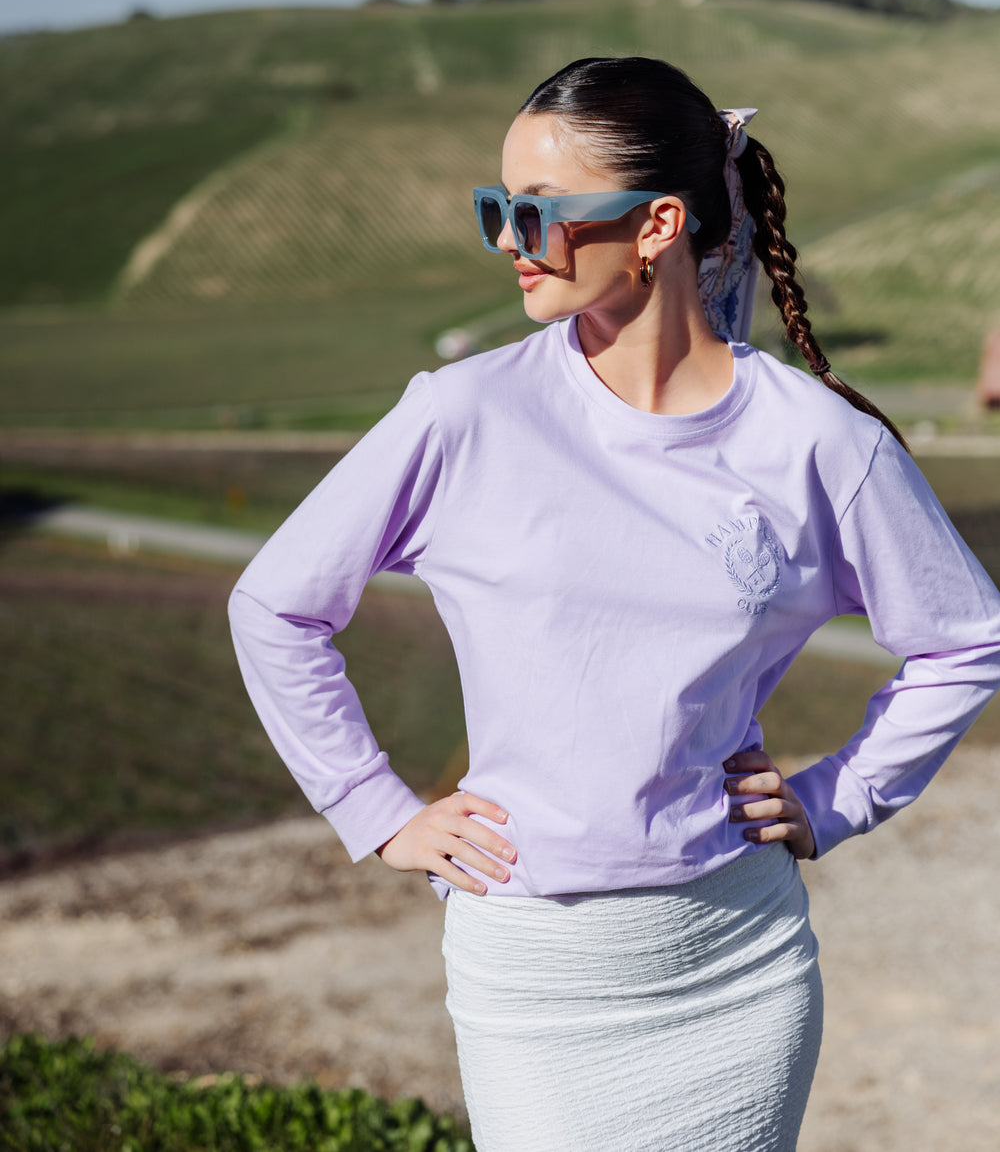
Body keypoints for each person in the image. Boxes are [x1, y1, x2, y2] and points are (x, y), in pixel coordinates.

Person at [229, 57, 1000, 1152]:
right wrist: (376, 808)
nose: (509, 241)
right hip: (534, 980)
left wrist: (838, 798)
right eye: (496, 209)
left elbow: (967, 639)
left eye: (537, 212)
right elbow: (276, 607)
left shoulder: (818, 444)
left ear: (658, 225)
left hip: (737, 964)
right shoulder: (462, 416)